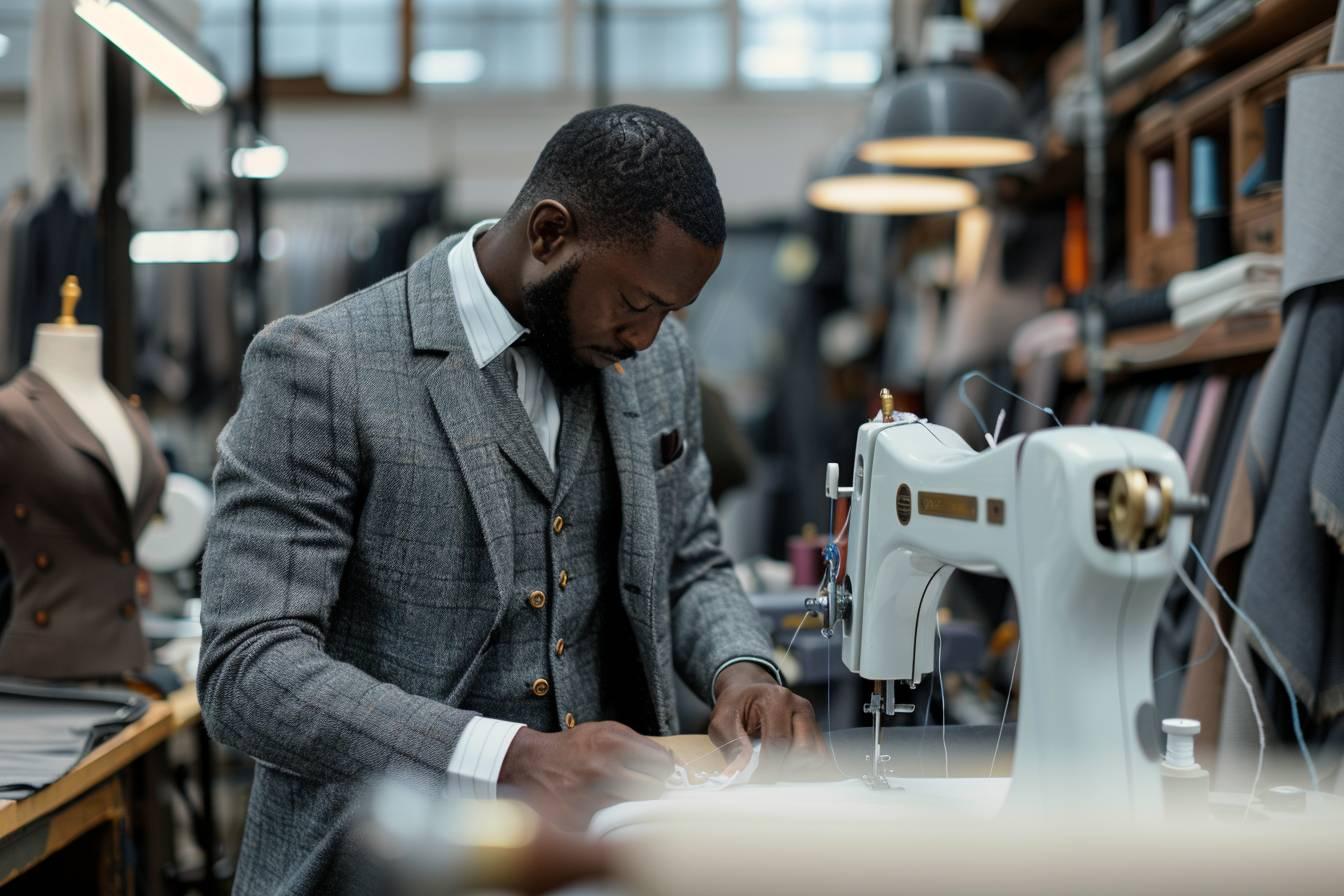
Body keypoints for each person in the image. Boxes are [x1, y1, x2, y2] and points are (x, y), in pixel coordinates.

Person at [198, 104, 824, 895]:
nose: (648, 338)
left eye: (669, 314)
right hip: (379, 860)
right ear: (549, 234)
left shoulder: (655, 365)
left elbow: (689, 556)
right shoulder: (324, 365)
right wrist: (509, 758)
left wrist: (743, 673)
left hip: (598, 860)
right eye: (635, 306)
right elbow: (248, 671)